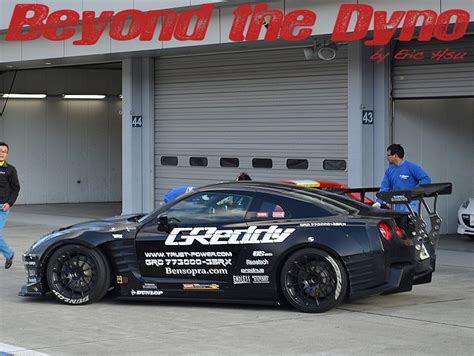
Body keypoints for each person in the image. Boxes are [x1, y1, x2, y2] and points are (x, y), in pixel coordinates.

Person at [374, 144, 431, 212]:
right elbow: (384, 187)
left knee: (408, 221)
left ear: (395, 155)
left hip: (411, 205)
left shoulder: (411, 167)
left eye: (388, 155)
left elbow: (426, 179)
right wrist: (378, 202)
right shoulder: (389, 171)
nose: (387, 157)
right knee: (399, 222)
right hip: (397, 206)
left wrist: (413, 190)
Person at [0, 142, 20, 269]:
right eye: (0, 150)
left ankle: (9, 254)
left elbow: (16, 188)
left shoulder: (10, 170)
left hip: (2, 207)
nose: (2, 153)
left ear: (7, 154)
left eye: (4, 151)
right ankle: (9, 254)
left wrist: (9, 203)